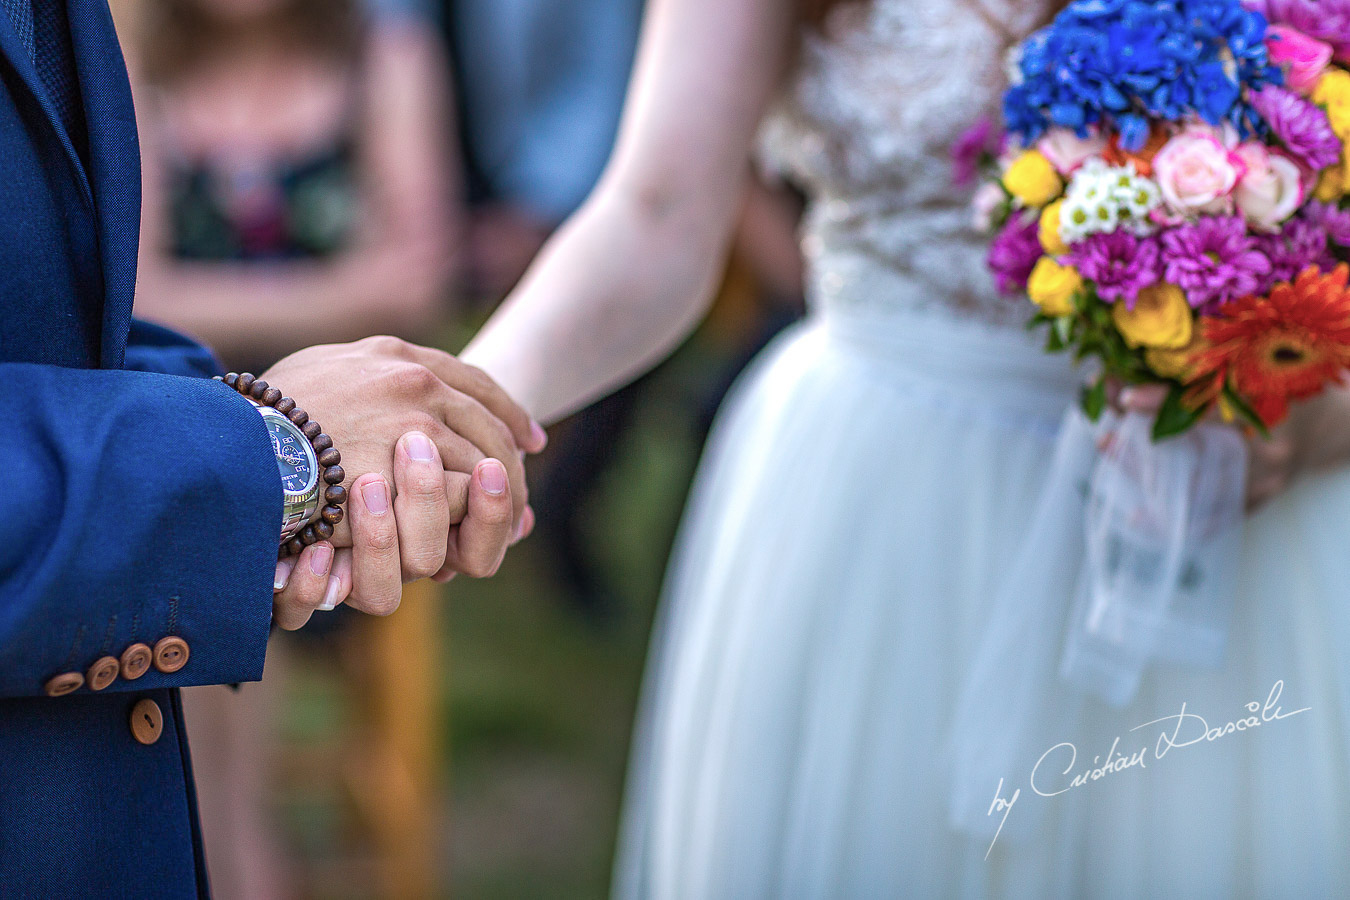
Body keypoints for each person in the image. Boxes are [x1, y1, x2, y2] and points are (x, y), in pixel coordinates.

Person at [461, 0, 1350, 895]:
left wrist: (1321, 404)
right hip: (883, 499)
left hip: (1227, 506)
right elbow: (653, 214)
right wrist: (453, 410)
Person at [0, 1, 542, 896]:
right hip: (206, 434)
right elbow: (150, 289)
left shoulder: (380, 50)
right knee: (227, 586)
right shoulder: (134, 46)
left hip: (236, 422)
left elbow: (415, 276)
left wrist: (285, 424)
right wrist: (274, 434)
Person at [130, 0, 456, 371]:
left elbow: (414, 288)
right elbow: (134, 302)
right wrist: (348, 294)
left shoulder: (384, 55)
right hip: (185, 402)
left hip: (358, 389)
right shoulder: (129, 71)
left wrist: (191, 300)